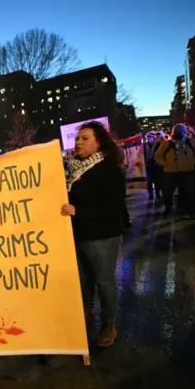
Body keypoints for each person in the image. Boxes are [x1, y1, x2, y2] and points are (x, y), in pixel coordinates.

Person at [61, 121, 125, 347]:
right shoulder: (71, 168)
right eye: (77, 139)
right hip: (77, 235)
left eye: (85, 138)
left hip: (102, 237)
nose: (78, 142)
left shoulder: (108, 169)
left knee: (104, 282)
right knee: (83, 281)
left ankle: (108, 324)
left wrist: (79, 211)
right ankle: (85, 318)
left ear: (99, 143)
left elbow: (113, 206)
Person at [154, 124, 195, 219]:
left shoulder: (191, 142)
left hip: (187, 171)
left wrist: (192, 162)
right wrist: (166, 164)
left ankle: (189, 211)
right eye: (176, 133)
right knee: (168, 192)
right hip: (170, 172)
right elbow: (157, 155)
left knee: (189, 192)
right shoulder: (167, 144)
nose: (178, 135)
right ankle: (168, 209)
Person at [144, 132, 162, 200]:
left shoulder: (158, 145)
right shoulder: (144, 145)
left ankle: (157, 193)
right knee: (149, 181)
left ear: (153, 138)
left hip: (155, 165)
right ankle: (151, 194)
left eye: (149, 137)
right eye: (147, 137)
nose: (148, 139)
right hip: (147, 165)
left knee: (157, 181)